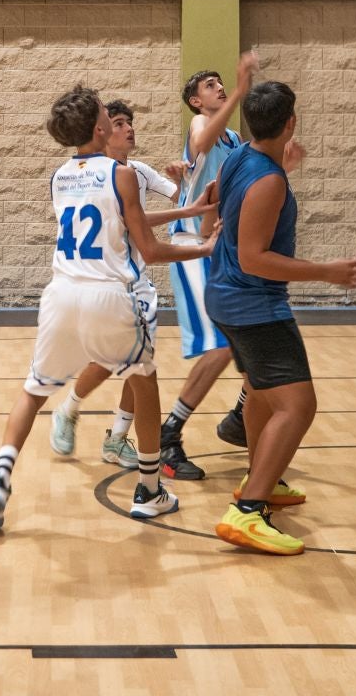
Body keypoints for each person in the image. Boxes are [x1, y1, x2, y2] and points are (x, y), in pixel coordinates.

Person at [0, 85, 208, 534]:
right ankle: (150, 488)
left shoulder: (59, 177)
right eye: (107, 114)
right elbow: (150, 250)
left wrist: (192, 206)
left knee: (33, 390)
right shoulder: (119, 174)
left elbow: (119, 220)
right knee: (144, 378)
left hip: (61, 294)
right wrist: (205, 247)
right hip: (108, 294)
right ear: (101, 128)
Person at [205, 80, 356, 555]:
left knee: (259, 390)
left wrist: (277, 167)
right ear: (290, 122)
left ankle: (263, 481)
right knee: (298, 406)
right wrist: (327, 272)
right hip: (254, 305)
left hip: (227, 297)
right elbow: (254, 257)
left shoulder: (240, 158)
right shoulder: (267, 180)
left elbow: (215, 199)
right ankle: (249, 511)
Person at [52, 100, 214, 469]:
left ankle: (116, 438)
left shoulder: (137, 172)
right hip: (109, 283)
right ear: (103, 131)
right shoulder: (97, 175)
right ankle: (72, 409)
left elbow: (163, 204)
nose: (128, 129)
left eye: (130, 123)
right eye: (120, 122)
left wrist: (188, 188)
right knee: (118, 361)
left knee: (139, 363)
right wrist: (204, 247)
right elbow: (136, 228)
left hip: (134, 283)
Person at [160, 52, 259, 480]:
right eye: (211, 86)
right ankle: (169, 434)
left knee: (256, 336)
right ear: (196, 102)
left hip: (222, 248)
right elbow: (200, 143)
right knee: (221, 345)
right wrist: (240, 89)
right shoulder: (201, 126)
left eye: (223, 83)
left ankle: (239, 418)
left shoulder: (236, 141)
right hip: (191, 246)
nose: (218, 88)